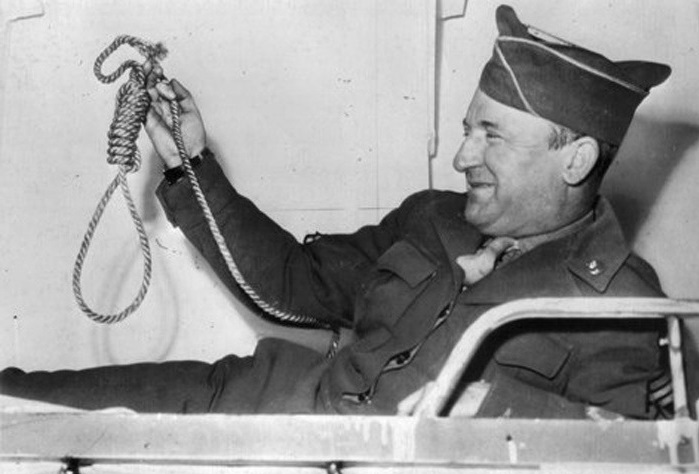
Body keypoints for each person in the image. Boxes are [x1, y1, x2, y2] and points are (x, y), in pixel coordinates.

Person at [0, 5, 676, 419]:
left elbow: (626, 456)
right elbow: (291, 284)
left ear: (574, 159)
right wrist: (189, 162)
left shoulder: (623, 306)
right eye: (467, 129)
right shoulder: (434, 219)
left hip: (339, 459)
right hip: (263, 400)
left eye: (491, 136)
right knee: (25, 404)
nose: (460, 156)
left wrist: (490, 412)